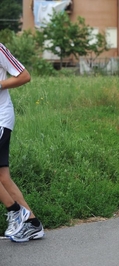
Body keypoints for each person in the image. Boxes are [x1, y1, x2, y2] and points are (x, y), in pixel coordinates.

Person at [0, 43, 45, 242]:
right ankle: (33, 225)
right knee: (3, 178)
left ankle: (16, 212)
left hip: (1, 119)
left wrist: (0, 84)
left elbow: (24, 76)